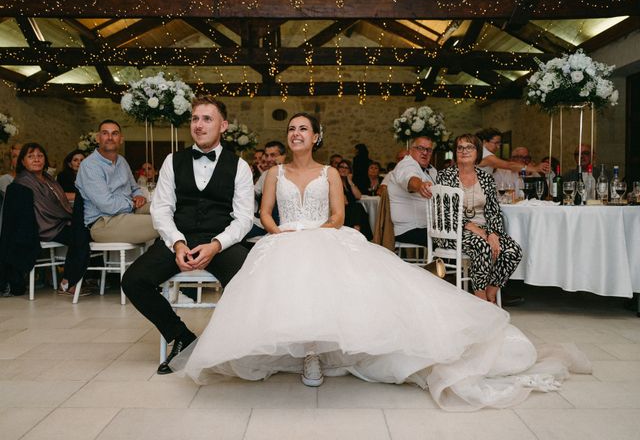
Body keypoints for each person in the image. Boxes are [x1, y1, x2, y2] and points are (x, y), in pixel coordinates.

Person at [173, 113, 587, 411]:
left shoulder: (329, 173)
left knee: (344, 285)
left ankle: (319, 351)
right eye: (291, 129)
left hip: (324, 235)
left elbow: (338, 215)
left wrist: (318, 234)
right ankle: (302, 349)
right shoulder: (275, 174)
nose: (295, 134)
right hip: (285, 237)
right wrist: (280, 234)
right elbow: (264, 214)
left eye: (302, 129)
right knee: (279, 281)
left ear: (316, 136)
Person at [122, 96, 254, 375]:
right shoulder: (173, 161)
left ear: (223, 126)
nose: (199, 124)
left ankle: (234, 345)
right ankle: (180, 335)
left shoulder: (239, 166)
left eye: (207, 119)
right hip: (178, 237)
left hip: (221, 240)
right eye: (195, 118)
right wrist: (177, 243)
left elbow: (243, 219)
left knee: (249, 280)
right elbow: (161, 209)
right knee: (133, 280)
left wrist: (216, 245)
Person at [437, 134, 523, 303]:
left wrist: (492, 233)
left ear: (478, 152)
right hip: (453, 231)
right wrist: (475, 229)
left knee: (513, 250)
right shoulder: (445, 176)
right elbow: (447, 212)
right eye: (460, 147)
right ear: (455, 152)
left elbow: (493, 211)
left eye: (469, 147)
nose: (464, 151)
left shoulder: (486, 178)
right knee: (482, 245)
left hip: (483, 230)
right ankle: (480, 300)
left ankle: (491, 291)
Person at [6, 143, 89, 296]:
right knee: (80, 234)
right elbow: (46, 208)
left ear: (45, 159)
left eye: (40, 156)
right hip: (44, 227)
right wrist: (69, 217)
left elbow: (60, 201)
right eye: (31, 157)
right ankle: (67, 282)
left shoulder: (48, 178)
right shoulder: (23, 182)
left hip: (59, 222)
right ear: (23, 162)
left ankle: (84, 278)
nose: (36, 159)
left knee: (85, 229)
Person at [75, 120, 158, 244]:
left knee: (171, 209)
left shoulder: (122, 161)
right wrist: (131, 203)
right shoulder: (90, 166)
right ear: (98, 138)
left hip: (129, 211)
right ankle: (153, 262)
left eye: (114, 133)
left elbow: (135, 188)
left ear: (121, 139)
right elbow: (107, 205)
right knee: (164, 221)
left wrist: (139, 195)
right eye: (105, 133)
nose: (109, 137)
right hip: (104, 222)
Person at [382, 136, 436, 247]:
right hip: (409, 229)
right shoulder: (406, 164)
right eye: (420, 148)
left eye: (429, 150)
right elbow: (410, 178)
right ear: (410, 150)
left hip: (427, 227)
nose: (425, 153)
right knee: (451, 239)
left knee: (459, 235)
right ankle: (445, 264)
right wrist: (420, 185)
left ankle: (445, 264)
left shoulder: (431, 170)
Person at [476, 128, 548, 176]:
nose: (498, 147)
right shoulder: (484, 154)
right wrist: (535, 168)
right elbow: (509, 165)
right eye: (496, 143)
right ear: (484, 142)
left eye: (499, 144)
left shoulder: (480, 152)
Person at [336, 159, 372, 240]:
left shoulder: (349, 183)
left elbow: (358, 196)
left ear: (349, 170)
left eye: (346, 168)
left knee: (358, 207)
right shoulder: (335, 181)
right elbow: (344, 201)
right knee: (357, 207)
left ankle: (357, 230)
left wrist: (350, 181)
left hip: (352, 209)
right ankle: (357, 232)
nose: (343, 169)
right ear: (337, 169)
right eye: (341, 167)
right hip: (342, 209)